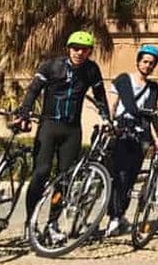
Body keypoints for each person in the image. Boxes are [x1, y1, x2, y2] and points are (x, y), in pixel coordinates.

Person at [15, 30, 110, 239]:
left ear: (89, 52)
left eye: (84, 50)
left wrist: (106, 118)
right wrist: (24, 112)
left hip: (72, 130)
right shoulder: (51, 66)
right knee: (41, 173)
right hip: (49, 126)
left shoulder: (91, 70)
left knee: (64, 179)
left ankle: (52, 224)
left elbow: (100, 95)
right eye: (75, 48)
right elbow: (33, 90)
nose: (79, 53)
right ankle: (30, 223)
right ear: (68, 49)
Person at [105, 44, 158, 237]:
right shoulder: (123, 80)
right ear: (138, 61)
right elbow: (113, 103)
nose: (147, 65)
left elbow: (152, 114)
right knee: (119, 175)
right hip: (121, 130)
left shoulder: (153, 87)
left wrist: (156, 138)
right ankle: (113, 216)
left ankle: (118, 216)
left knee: (130, 178)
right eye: (145, 61)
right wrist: (109, 123)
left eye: (151, 63)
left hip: (140, 135)